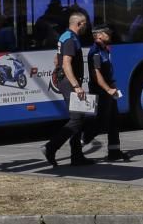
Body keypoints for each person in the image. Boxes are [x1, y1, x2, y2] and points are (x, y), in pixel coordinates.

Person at [41, 12, 94, 166]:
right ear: (80, 24)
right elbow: (66, 63)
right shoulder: (71, 39)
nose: (87, 27)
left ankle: (76, 156)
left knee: (79, 117)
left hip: (66, 81)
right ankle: (51, 147)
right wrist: (76, 86)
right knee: (77, 119)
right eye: (85, 24)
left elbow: (57, 58)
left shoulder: (64, 36)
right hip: (69, 82)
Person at [82, 26, 130, 162]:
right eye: (107, 33)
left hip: (109, 89)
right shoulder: (95, 52)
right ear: (98, 35)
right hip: (101, 91)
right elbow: (96, 74)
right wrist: (108, 89)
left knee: (114, 120)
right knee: (101, 122)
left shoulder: (104, 49)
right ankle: (81, 141)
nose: (110, 34)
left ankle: (114, 152)